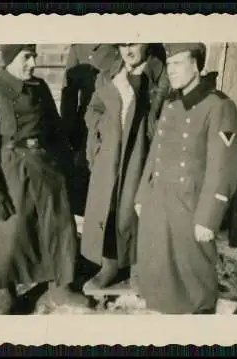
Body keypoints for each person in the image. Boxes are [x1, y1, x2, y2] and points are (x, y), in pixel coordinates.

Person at [0, 44, 89, 314]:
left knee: (56, 226)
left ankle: (60, 287)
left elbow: (55, 131)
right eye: (26, 57)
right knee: (8, 234)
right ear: (9, 59)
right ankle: (5, 295)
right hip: (11, 173)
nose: (33, 63)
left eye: (34, 56)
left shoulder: (39, 88)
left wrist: (66, 169)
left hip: (46, 168)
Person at [133, 43, 237, 314]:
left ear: (196, 65)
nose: (171, 70)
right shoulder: (171, 103)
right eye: (169, 64)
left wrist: (209, 216)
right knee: (159, 274)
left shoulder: (219, 105)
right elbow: (155, 152)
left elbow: (224, 167)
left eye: (179, 63)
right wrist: (141, 195)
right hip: (159, 200)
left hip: (190, 205)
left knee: (193, 278)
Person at [80, 43, 170, 291]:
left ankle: (139, 270)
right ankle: (109, 265)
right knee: (109, 209)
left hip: (140, 153)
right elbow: (93, 109)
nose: (128, 50)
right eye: (122, 44)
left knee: (136, 210)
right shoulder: (110, 74)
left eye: (134, 43)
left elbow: (163, 116)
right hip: (110, 154)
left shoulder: (160, 74)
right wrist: (102, 130)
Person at [59, 44, 121, 216]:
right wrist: (69, 134)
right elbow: (68, 95)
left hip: (113, 121)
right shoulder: (79, 48)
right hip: (84, 127)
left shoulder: (117, 46)